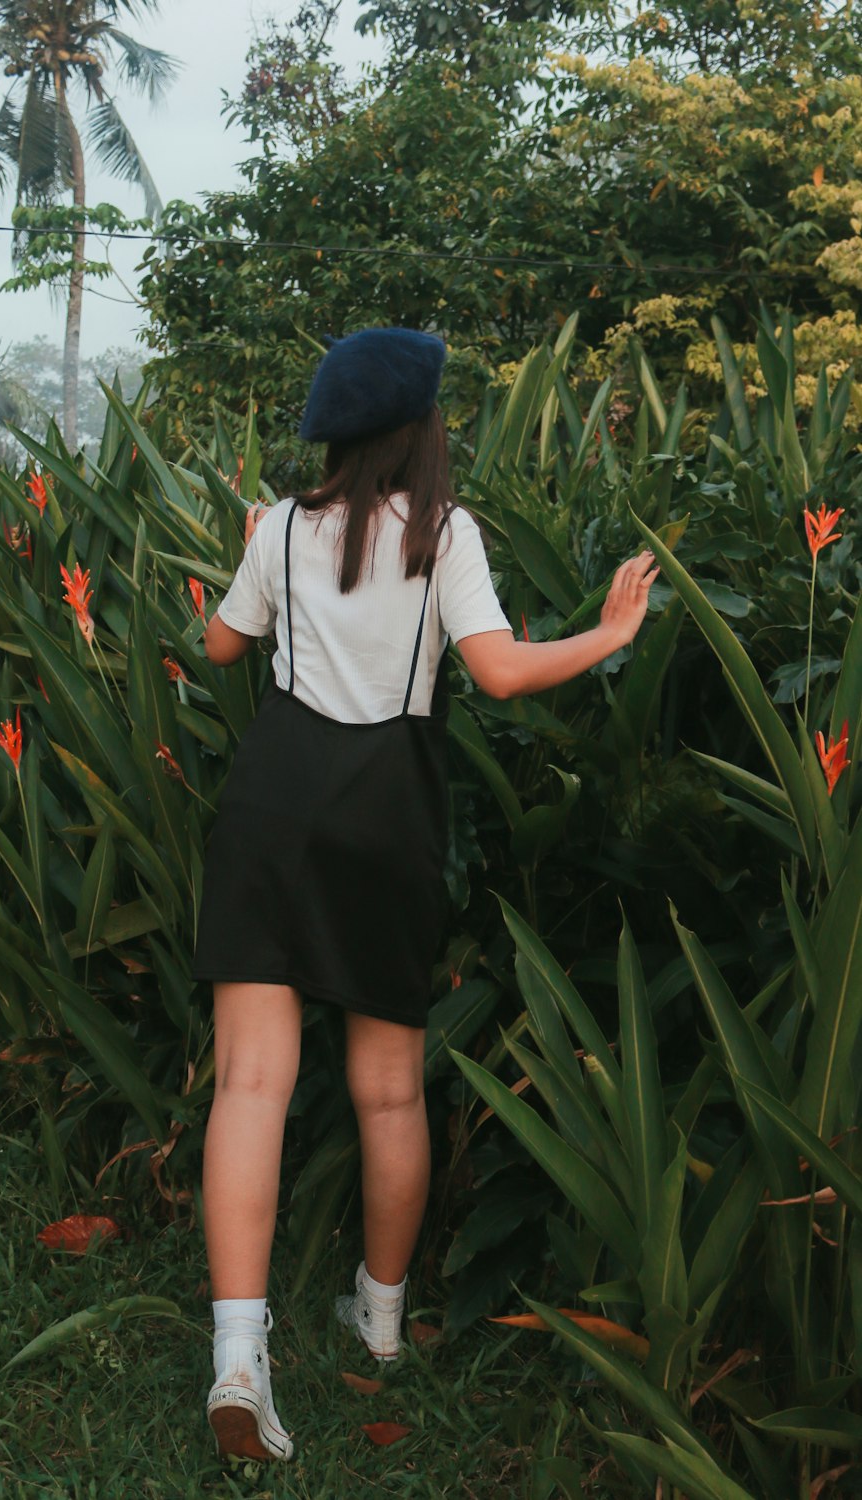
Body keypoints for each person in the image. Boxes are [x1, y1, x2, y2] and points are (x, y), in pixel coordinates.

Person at [191, 327, 659, 1462]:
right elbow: (496, 671)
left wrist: (242, 576)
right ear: (420, 431)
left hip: (273, 798)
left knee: (253, 1079)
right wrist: (606, 632)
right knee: (389, 1091)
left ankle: (240, 1359)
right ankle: (381, 1320)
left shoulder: (280, 527)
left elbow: (215, 650)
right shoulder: (447, 535)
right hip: (387, 809)